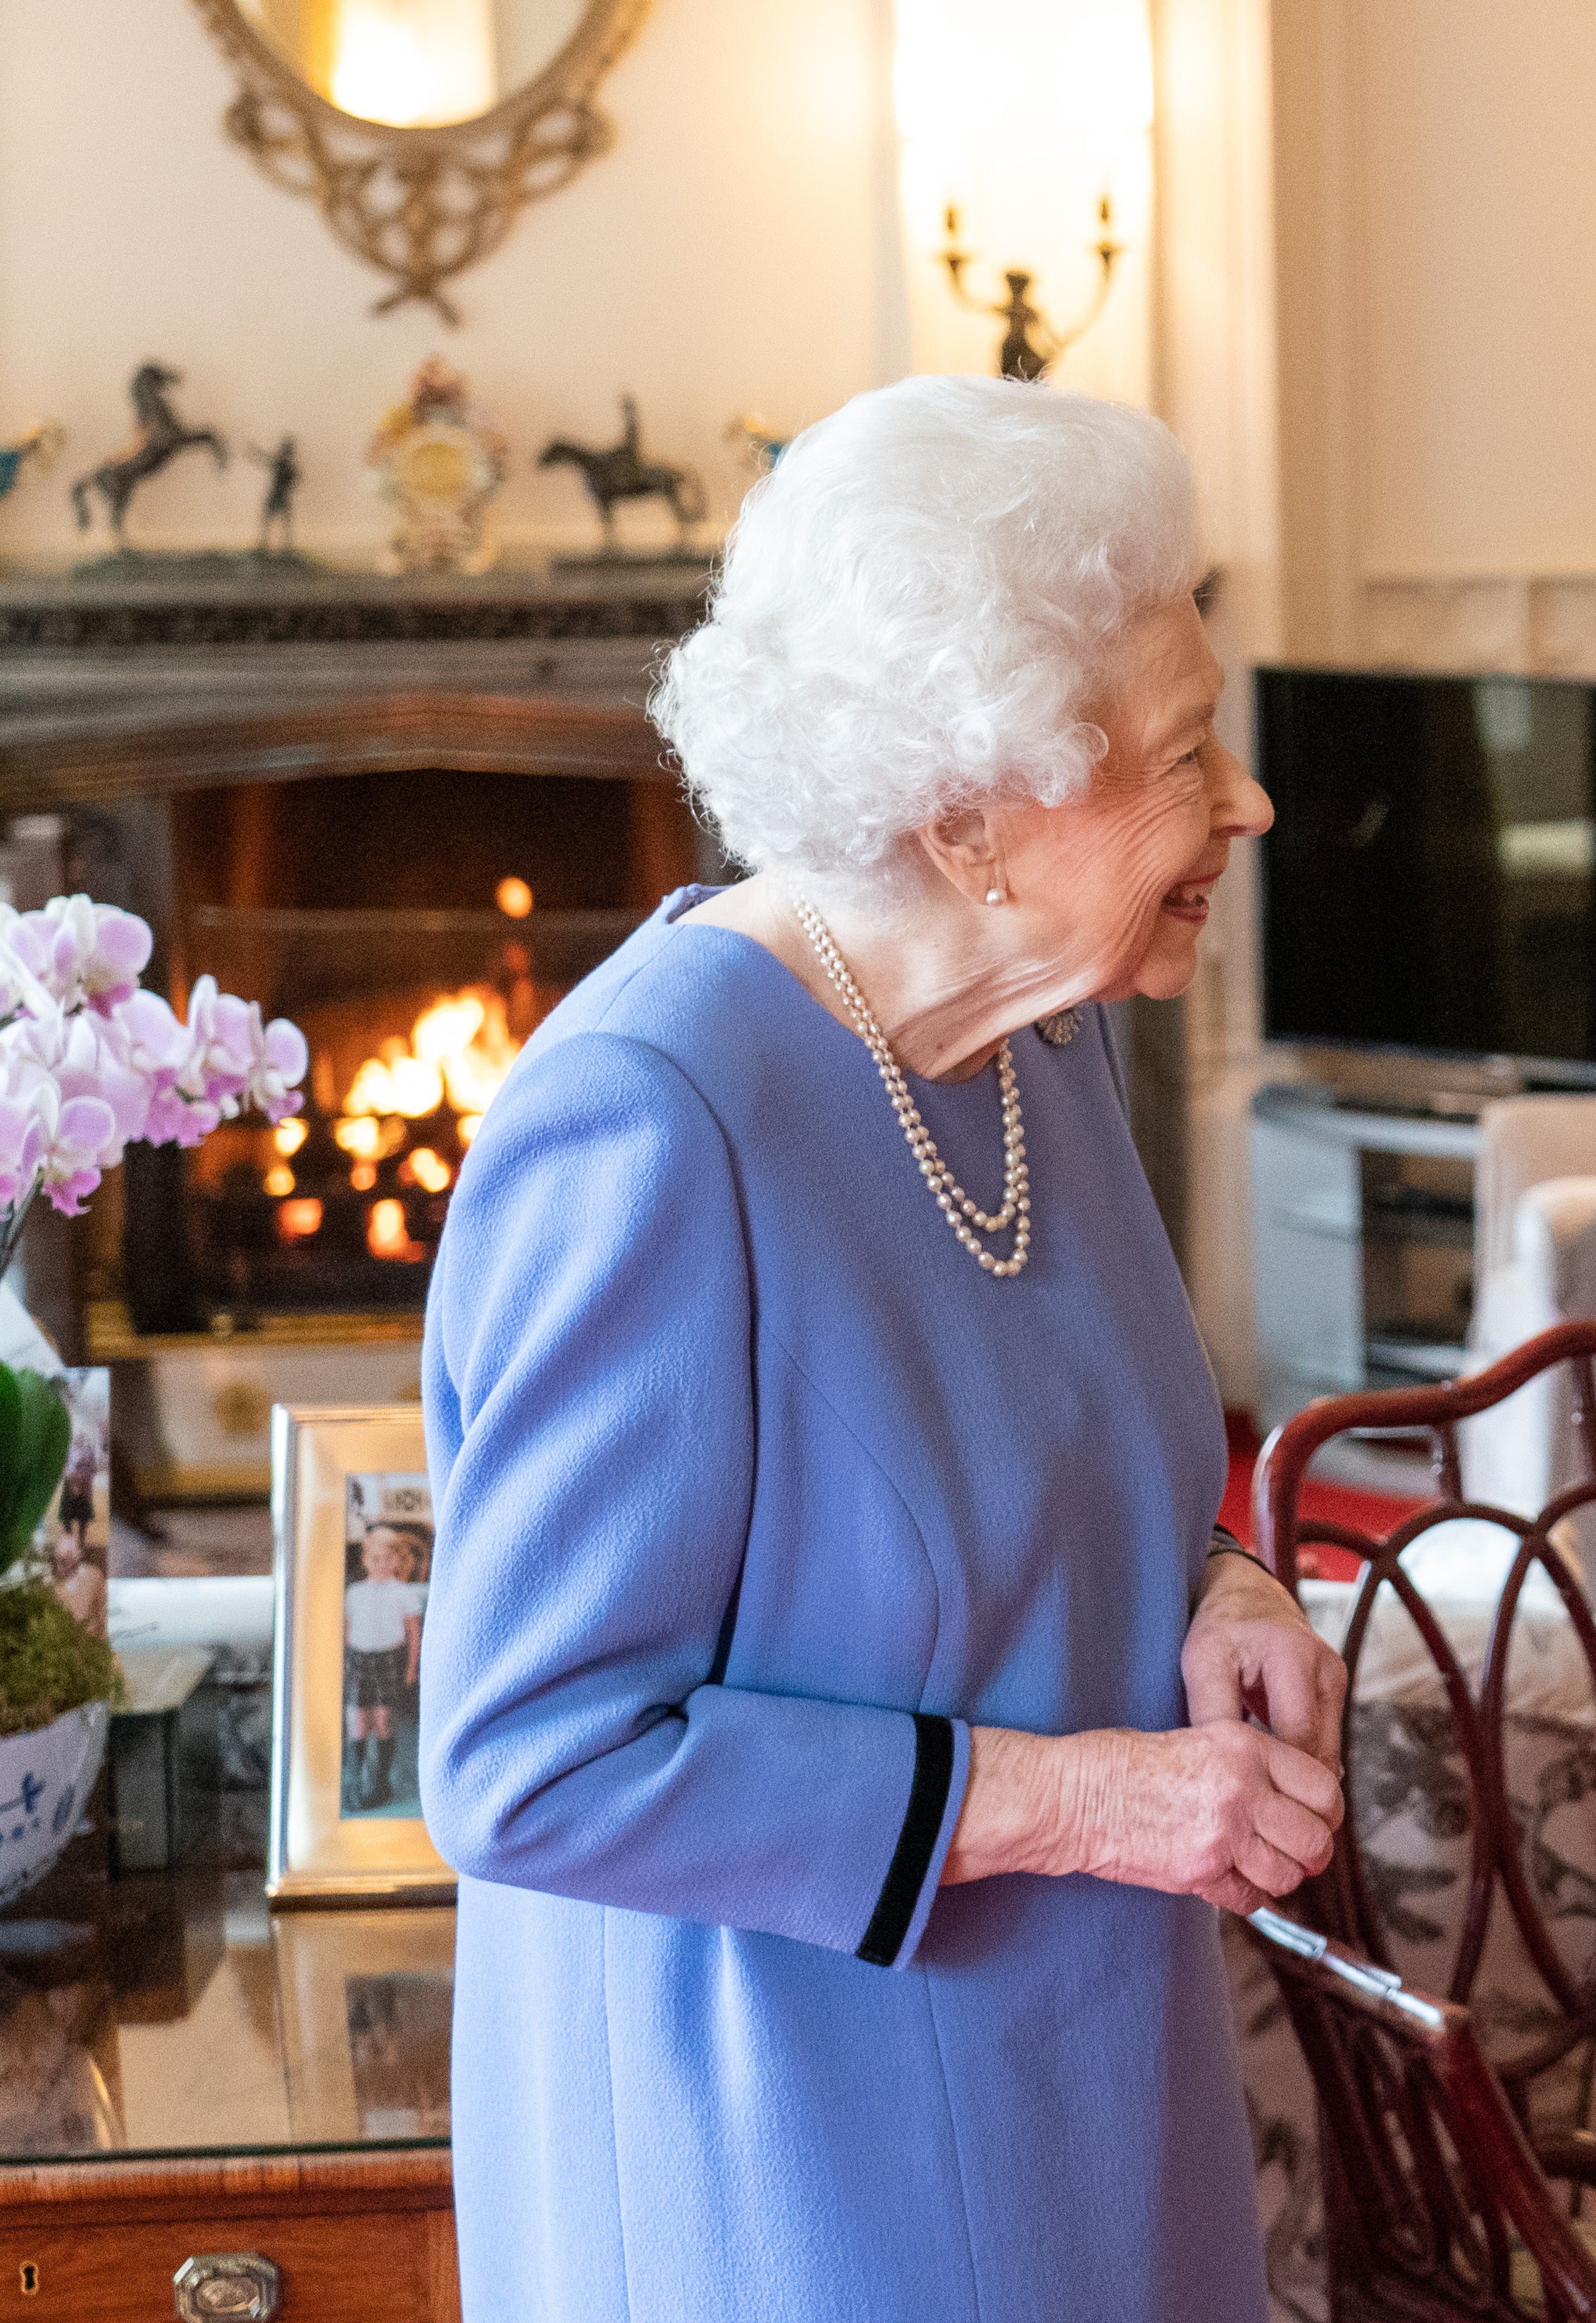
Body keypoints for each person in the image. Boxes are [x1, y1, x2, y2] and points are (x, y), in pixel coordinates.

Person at [420, 374, 1345, 2323]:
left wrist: (1216, 1573)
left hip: (1083, 2075)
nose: (1246, 803)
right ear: (971, 821)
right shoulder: (652, 1119)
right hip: (781, 2162)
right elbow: (531, 1761)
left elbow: (1048, 1451)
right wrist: (1097, 1800)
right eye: (1187, 759)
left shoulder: (1049, 1032)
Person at [342, 1519, 428, 1811]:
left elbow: (414, 1634)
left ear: (397, 1560)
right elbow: (345, 1630)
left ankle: (380, 1784)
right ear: (366, 1559)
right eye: (374, 1558)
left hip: (388, 1662)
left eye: (388, 1558)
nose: (380, 1563)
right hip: (358, 1661)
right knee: (356, 1724)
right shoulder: (354, 1593)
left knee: (382, 1721)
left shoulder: (404, 1593)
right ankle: (355, 1785)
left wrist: (412, 1668)